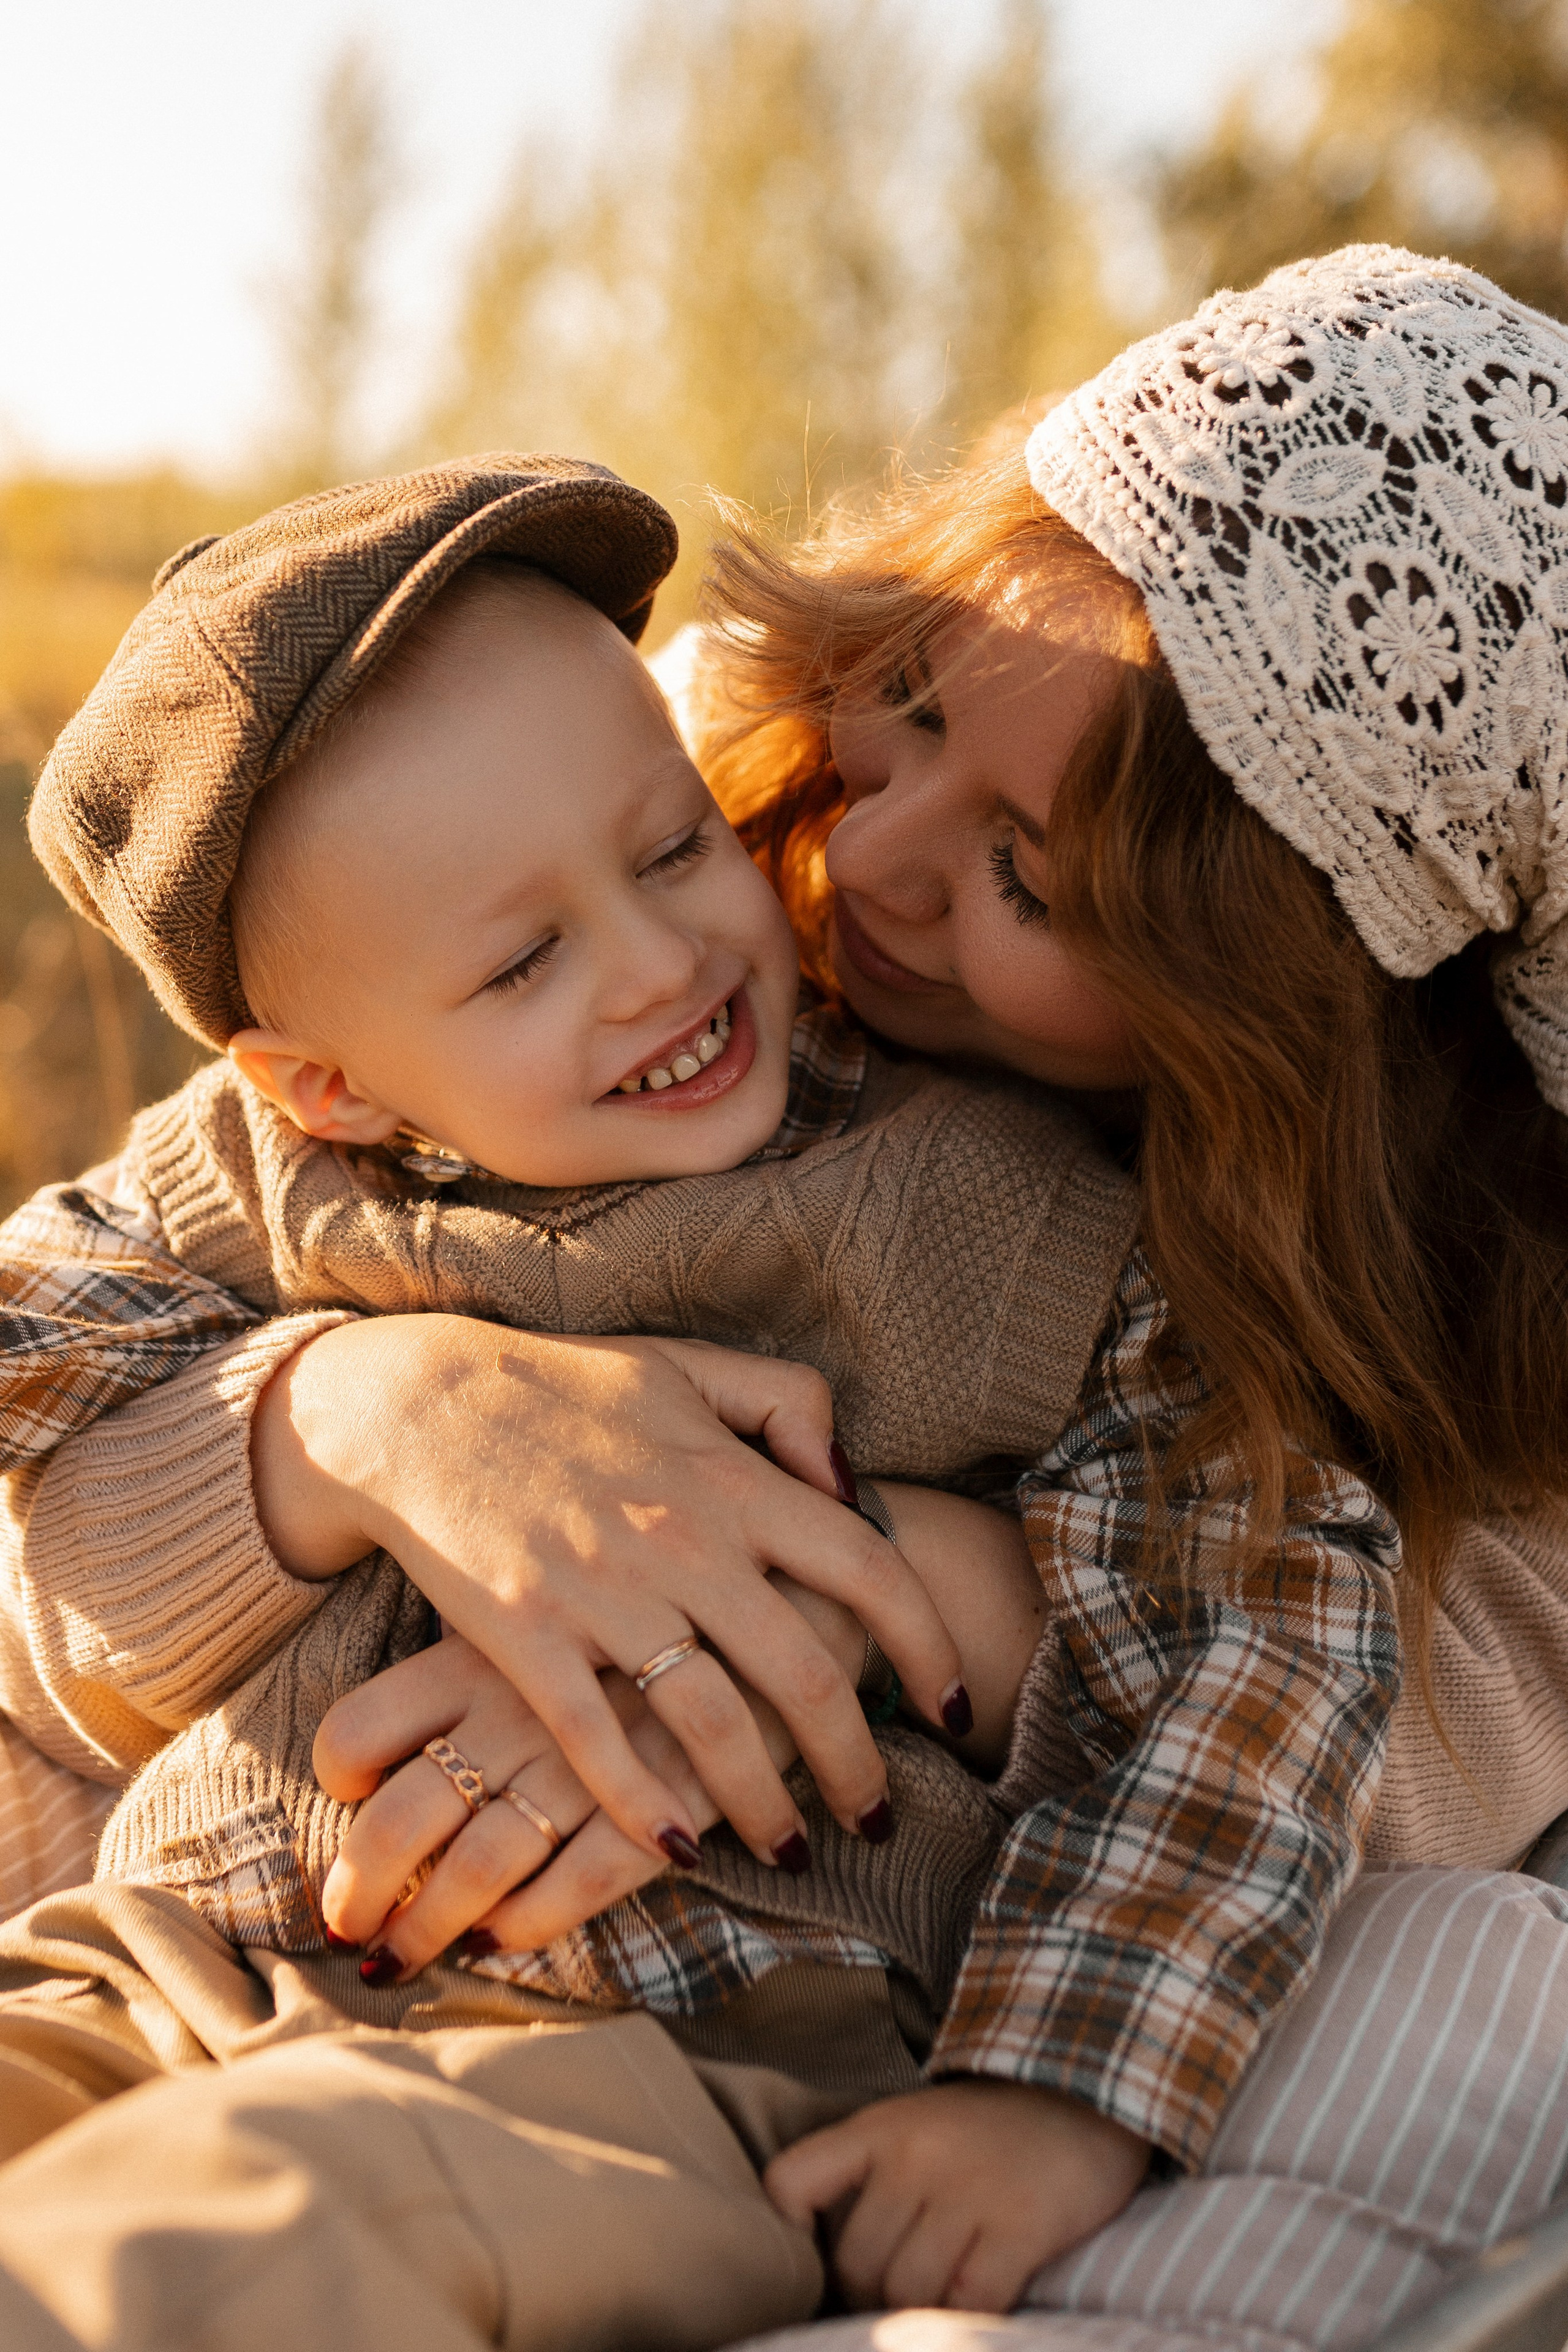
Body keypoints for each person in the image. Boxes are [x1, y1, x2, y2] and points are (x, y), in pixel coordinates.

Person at [0, 248, 1566, 2345]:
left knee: (224, 2232)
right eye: (907, 704)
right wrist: (356, 1414)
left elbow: (1279, 1631)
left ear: (1269, 1014)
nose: (863, 853)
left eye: (1028, 875)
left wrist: (1042, 2048)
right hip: (184, 1933)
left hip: (643, 2024)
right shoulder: (473, 950)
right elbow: (54, 1322)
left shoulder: (1020, 1239)